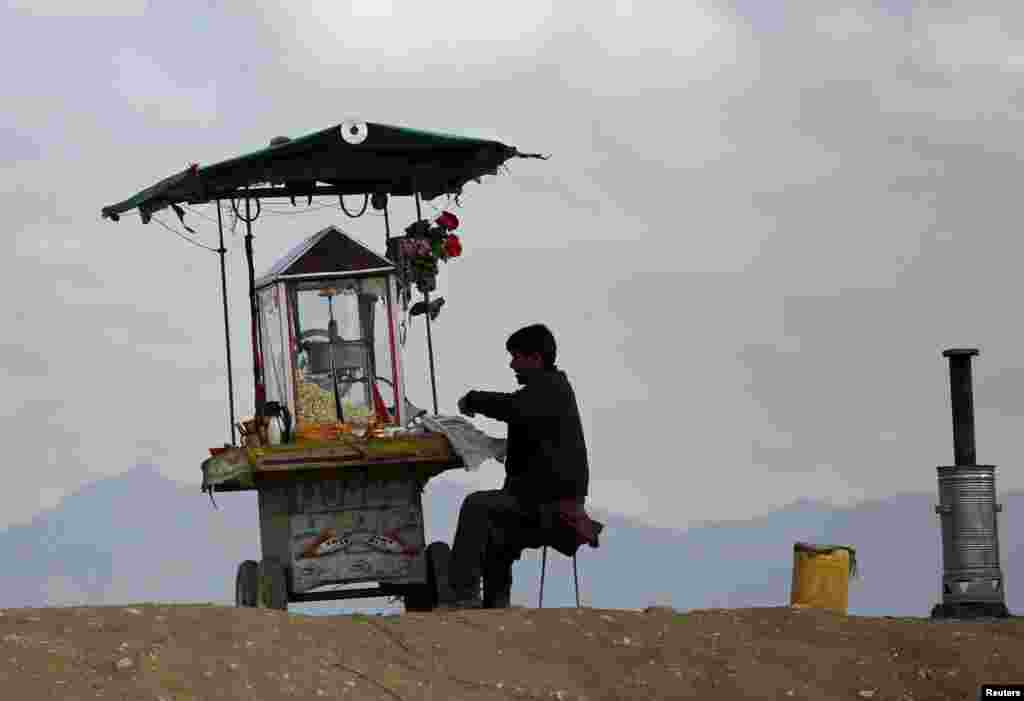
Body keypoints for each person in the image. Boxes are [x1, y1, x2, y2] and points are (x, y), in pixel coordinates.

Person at [442, 323, 590, 609]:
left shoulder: (550, 389)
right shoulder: (548, 391)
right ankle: (496, 606)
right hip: (541, 500)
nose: (512, 364)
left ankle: (461, 597)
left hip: (551, 505)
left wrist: (473, 399)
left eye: (516, 357)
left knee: (476, 506)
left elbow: (512, 408)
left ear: (535, 358)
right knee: (497, 532)